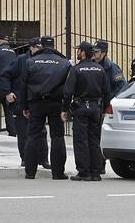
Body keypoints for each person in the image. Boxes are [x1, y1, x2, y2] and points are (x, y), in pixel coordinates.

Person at [21, 36, 70, 180]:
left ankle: (30, 172)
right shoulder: (64, 62)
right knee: (57, 137)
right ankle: (58, 173)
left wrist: (24, 106)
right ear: (54, 46)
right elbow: (68, 88)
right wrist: (65, 107)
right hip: (56, 103)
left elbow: (23, 86)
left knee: (33, 136)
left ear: (41, 46)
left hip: (36, 103)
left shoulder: (30, 62)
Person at [0, 37, 50, 169]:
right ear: (31, 48)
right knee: (23, 133)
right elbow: (4, 75)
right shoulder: (21, 60)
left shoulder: (43, 60)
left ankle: (43, 159)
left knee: (42, 132)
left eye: (40, 48)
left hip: (38, 102)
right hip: (21, 101)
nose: (39, 50)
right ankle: (26, 159)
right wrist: (7, 92)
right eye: (37, 47)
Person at [62, 41, 110, 181]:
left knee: (81, 140)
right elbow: (106, 91)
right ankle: (96, 172)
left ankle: (84, 172)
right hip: (96, 108)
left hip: (81, 108)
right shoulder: (99, 69)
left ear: (83, 52)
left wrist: (64, 109)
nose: (77, 53)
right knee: (94, 140)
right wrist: (104, 108)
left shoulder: (76, 70)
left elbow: (68, 92)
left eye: (78, 50)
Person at [93, 39, 126, 174]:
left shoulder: (112, 67)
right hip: (94, 104)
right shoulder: (92, 65)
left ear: (104, 53)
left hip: (104, 106)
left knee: (100, 136)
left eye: (97, 52)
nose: (95, 54)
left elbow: (122, 86)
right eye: (94, 51)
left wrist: (109, 100)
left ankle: (100, 165)